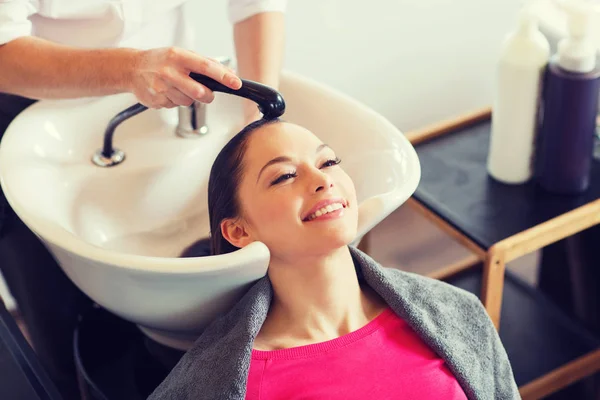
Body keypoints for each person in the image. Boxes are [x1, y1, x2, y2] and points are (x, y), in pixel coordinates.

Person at [0, 1, 286, 399]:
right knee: (56, 326)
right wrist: (129, 69)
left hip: (168, 92)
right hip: (36, 117)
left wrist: (256, 120)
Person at [147, 119, 520, 399]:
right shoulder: (233, 382)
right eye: (284, 176)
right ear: (239, 232)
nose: (321, 180)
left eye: (328, 162)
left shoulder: (457, 312)